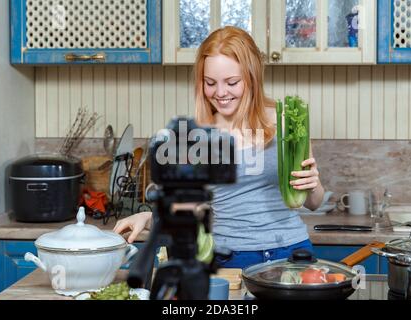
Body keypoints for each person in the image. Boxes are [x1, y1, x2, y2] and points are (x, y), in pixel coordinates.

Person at [114, 26, 325, 269]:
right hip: (230, 258)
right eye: (210, 83)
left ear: (252, 77)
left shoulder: (286, 121)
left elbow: (314, 202)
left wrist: (312, 183)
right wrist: (150, 217)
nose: (220, 93)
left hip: (292, 252)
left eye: (232, 82)